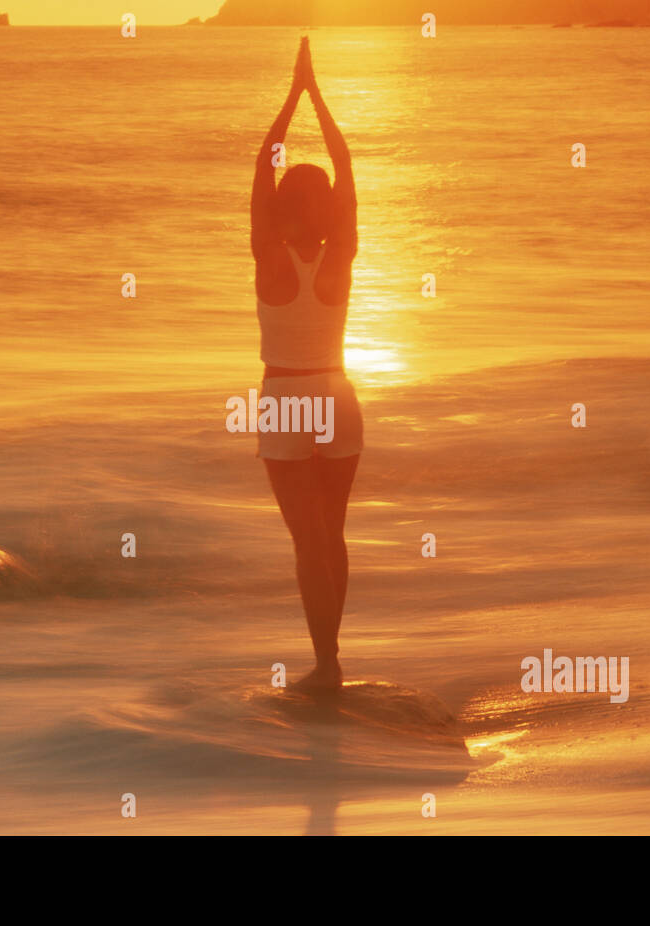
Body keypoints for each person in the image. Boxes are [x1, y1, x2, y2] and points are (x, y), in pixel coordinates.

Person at [251, 37, 362, 692]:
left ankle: (326, 664)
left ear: (284, 209)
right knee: (335, 537)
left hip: (287, 399)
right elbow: (347, 171)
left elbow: (261, 174)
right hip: (339, 396)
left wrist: (292, 97)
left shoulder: (268, 253)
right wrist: (320, 100)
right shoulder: (342, 253)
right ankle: (331, 658)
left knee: (306, 544)